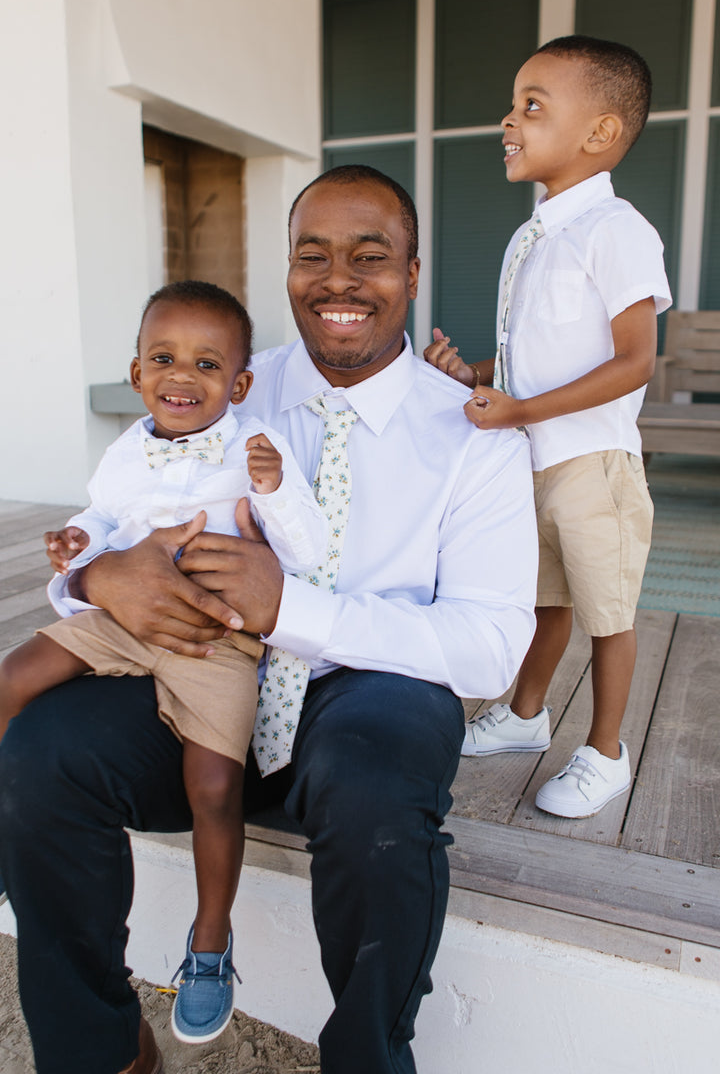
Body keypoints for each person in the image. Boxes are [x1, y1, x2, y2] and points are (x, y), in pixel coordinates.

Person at [0, 165, 538, 1074]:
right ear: (286, 269)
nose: (338, 280)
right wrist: (97, 579)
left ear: (412, 274)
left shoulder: (473, 433)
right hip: (204, 666)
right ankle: (99, 1050)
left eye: (370, 257)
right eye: (311, 255)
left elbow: (488, 649)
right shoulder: (227, 375)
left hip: (368, 685)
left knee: (378, 794)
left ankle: (367, 1059)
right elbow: (127, 505)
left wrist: (293, 606)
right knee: (39, 753)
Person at [0, 280, 327, 1047]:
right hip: (123, 619)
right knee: (11, 680)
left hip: (217, 639)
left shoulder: (257, 449)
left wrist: (276, 495)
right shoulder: (127, 447)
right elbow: (107, 515)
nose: (183, 375)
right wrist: (78, 542)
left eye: (207, 364)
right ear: (138, 373)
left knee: (215, 783)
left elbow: (307, 553)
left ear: (239, 385)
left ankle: (209, 943)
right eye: (164, 358)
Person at [425, 36, 672, 818]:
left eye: (532, 105)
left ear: (599, 133)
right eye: (514, 103)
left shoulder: (616, 229)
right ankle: (525, 717)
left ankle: (605, 753)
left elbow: (636, 361)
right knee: (544, 601)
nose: (509, 119)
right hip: (531, 460)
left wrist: (522, 412)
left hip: (593, 463)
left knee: (607, 615)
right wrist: (474, 379)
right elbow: (529, 361)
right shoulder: (534, 235)